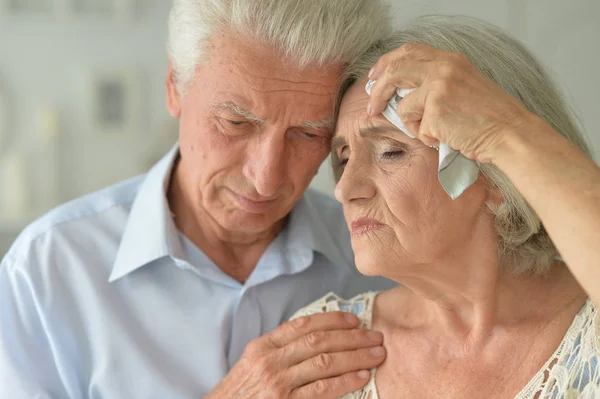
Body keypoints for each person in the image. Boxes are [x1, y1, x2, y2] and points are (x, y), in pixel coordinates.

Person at [0, 1, 397, 398]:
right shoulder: (45, 274)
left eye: (309, 134)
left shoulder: (381, 264)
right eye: (236, 122)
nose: (265, 178)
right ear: (175, 86)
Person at [292, 15, 600, 398]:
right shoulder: (324, 350)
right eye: (342, 157)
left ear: (498, 172)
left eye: (390, 152)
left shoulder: (590, 331)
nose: (345, 190)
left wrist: (505, 128)